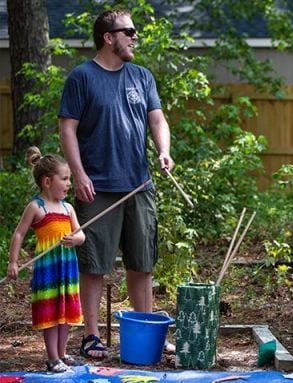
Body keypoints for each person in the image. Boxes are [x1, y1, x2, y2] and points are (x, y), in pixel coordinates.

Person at [58, 9, 175, 359]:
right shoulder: (82, 77)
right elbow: (68, 129)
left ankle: (145, 332)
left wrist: (164, 151)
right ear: (109, 37)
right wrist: (78, 174)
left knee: (142, 262)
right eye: (129, 31)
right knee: (94, 265)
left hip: (139, 184)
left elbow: (157, 119)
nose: (134, 37)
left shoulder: (142, 76)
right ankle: (91, 336)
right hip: (97, 187)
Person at [7, 147, 86, 373]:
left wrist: (75, 238)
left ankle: (62, 354)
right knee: (51, 313)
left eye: (69, 179)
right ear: (47, 181)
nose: (69, 183)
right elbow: (19, 233)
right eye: (65, 179)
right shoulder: (36, 207)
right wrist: (13, 262)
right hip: (48, 270)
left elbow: (81, 234)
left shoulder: (68, 208)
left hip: (67, 267)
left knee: (65, 313)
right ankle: (52, 358)